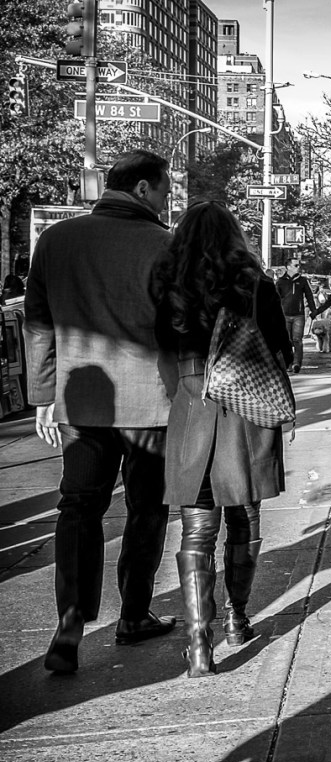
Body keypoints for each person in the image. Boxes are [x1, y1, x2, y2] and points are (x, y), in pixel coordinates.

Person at [23, 149, 176, 673]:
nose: (168, 197)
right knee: (147, 510)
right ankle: (133, 615)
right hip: (152, 403)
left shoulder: (57, 240)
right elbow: (179, 326)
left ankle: (69, 621)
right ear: (141, 189)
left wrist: (43, 395)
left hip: (81, 403)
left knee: (79, 508)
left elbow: (38, 324)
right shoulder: (164, 245)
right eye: (164, 188)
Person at [155, 200, 293, 677]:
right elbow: (282, 350)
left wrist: (184, 392)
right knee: (245, 515)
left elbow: (161, 352)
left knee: (197, 528)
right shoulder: (256, 284)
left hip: (191, 405)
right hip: (245, 409)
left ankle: (198, 646)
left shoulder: (168, 285)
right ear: (234, 237)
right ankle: (237, 618)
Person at [275, 257, 316, 374]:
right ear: (288, 267)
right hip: (284, 315)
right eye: (296, 265)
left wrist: (314, 310)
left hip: (299, 315)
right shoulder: (280, 281)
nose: (299, 267)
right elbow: (275, 298)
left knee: (297, 339)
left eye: (299, 265)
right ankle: (288, 363)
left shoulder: (302, 281)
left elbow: (309, 296)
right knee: (286, 341)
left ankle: (297, 363)